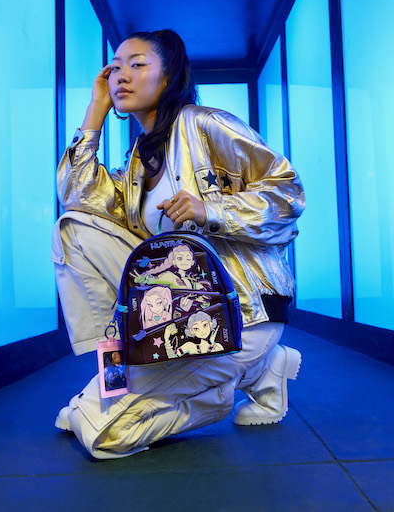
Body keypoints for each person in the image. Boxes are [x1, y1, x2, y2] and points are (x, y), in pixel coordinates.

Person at [51, 29, 305, 460]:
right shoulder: (137, 164)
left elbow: (288, 193)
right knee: (74, 227)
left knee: (100, 435)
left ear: (168, 77)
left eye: (137, 64)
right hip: (177, 318)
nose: (121, 76)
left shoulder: (205, 123)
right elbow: (75, 195)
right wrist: (96, 109)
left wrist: (211, 210)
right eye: (115, 67)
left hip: (240, 316)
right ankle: (122, 368)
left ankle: (227, 387)